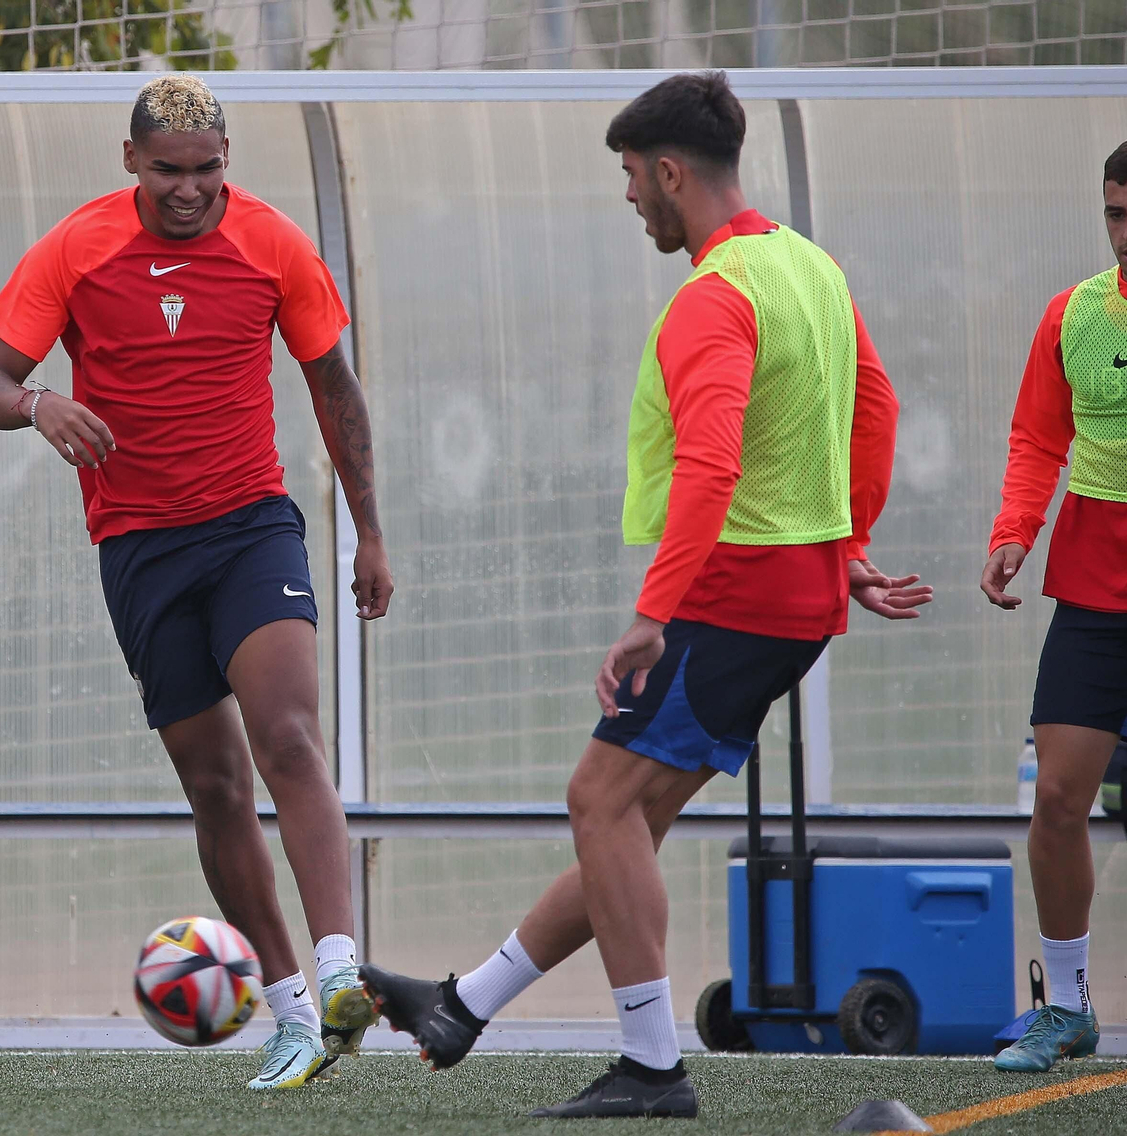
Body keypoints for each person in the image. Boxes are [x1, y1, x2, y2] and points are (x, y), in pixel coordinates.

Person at [360, 71, 929, 1119]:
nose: (628, 196)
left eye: (630, 175)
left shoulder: (712, 297)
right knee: (624, 821)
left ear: (669, 172)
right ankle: (462, 1005)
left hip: (729, 591)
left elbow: (711, 465)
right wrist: (843, 540)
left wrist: (652, 611)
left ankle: (652, 1067)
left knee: (599, 801)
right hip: (792, 591)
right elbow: (875, 407)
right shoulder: (806, 265)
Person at [0, 74, 390, 1091]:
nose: (191, 189)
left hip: (252, 528)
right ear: (130, 162)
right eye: (169, 171)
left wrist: (369, 531)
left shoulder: (274, 244)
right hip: (141, 548)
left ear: (228, 160)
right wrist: (39, 405)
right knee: (213, 782)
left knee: (287, 733)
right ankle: (288, 1013)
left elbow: (334, 386)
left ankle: (340, 972)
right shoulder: (76, 247)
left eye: (208, 170)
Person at [982, 136, 1127, 1073]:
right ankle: (1069, 1006)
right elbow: (1038, 438)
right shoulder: (1071, 315)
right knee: (1055, 797)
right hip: (1095, 590)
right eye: (1115, 213)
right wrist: (1013, 530)